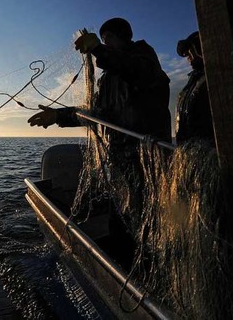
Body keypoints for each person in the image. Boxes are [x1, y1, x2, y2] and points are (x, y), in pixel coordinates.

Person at [28, 18, 171, 259]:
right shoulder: (107, 80)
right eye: (102, 41)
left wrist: (97, 49)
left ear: (122, 37)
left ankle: (149, 265)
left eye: (107, 40)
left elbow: (134, 70)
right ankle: (124, 265)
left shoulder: (144, 58)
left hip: (148, 158)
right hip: (120, 159)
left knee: (149, 219)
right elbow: (97, 115)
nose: (104, 45)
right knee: (121, 221)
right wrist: (59, 116)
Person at [175, 31, 214, 145]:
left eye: (191, 52)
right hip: (192, 149)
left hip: (208, 149)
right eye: (187, 55)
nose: (189, 59)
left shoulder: (216, 78)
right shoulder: (194, 81)